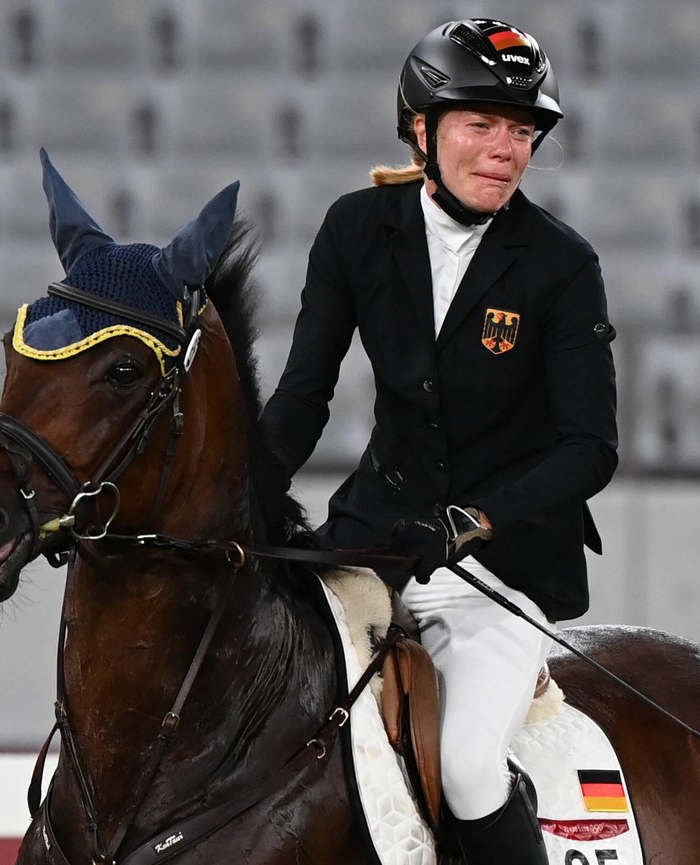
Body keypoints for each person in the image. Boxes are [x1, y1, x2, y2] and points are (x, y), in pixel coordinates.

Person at [257, 17, 617, 865]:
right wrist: (241, 495)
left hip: (500, 560)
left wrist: (472, 521)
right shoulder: (356, 229)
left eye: (522, 131)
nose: (505, 150)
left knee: (464, 768)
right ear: (422, 130)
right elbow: (304, 398)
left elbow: (590, 448)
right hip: (371, 537)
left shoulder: (562, 266)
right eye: (481, 125)